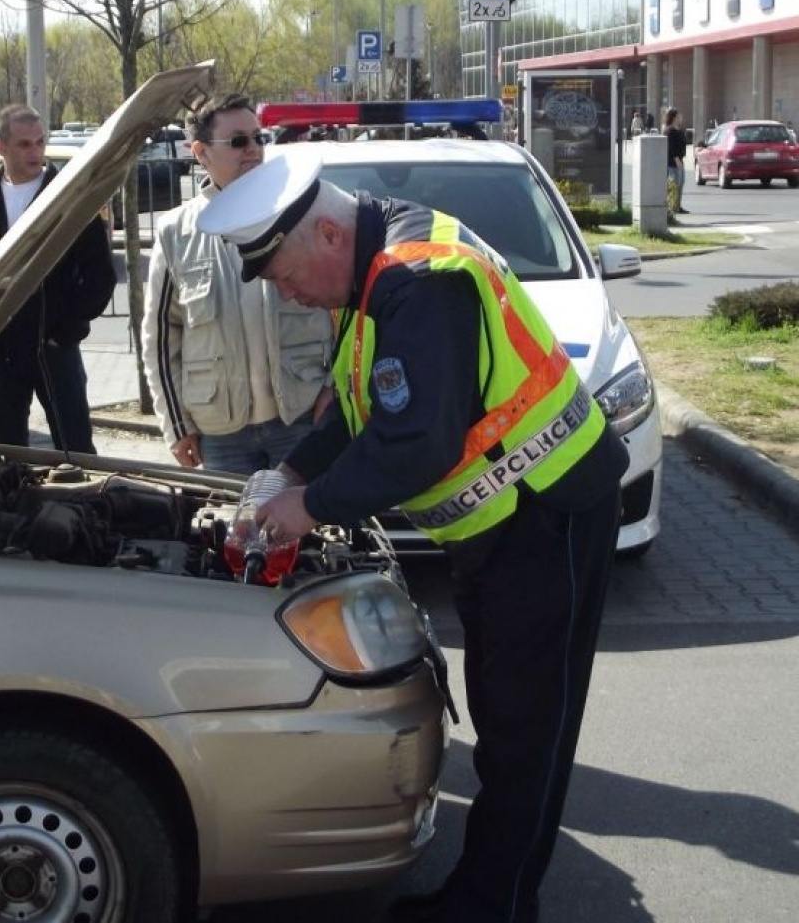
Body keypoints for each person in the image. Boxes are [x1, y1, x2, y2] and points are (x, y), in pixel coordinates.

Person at [198, 152, 629, 923]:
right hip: (505, 523)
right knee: (505, 718)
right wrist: (286, 473)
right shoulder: (370, 273)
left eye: (287, 277)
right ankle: (491, 893)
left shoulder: (418, 279)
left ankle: (492, 907)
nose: (289, 295)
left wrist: (310, 506)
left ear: (327, 232)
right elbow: (358, 408)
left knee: (525, 732)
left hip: (548, 513)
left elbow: (415, 443)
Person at [141, 93, 332, 473]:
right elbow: (160, 340)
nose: (254, 150)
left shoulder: (303, 210)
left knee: (312, 532)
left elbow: (345, 307)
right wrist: (176, 426)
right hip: (222, 434)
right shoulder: (176, 232)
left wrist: (334, 387)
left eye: (259, 138)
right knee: (229, 532)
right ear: (200, 152)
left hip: (301, 419)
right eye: (239, 141)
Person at [0, 103, 115, 452]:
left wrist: (64, 330)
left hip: (54, 349)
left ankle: (82, 505)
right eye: (24, 144)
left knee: (76, 449)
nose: (35, 151)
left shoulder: (70, 198)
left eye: (39, 142)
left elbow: (100, 276)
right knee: (4, 454)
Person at [664, 107, 689, 215]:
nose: (681, 118)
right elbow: (671, 147)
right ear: (674, 117)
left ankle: (677, 206)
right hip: (672, 163)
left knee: (680, 184)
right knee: (673, 184)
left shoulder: (679, 130)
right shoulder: (669, 131)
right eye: (679, 116)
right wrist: (677, 159)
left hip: (680, 160)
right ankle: (672, 206)